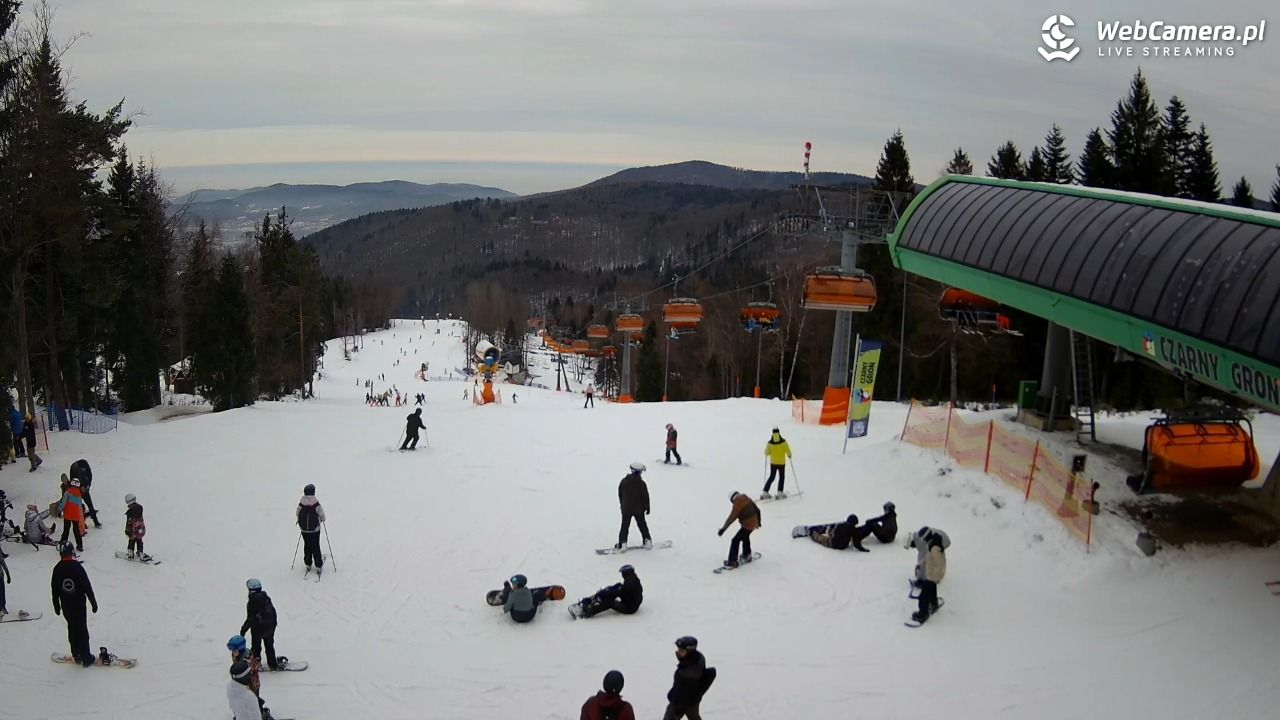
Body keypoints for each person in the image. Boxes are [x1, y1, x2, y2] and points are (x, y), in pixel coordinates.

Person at [51, 540, 98, 666]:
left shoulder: (57, 568)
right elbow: (86, 586)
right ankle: (86, 657)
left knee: (72, 628)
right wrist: (93, 603)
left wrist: (56, 605)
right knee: (82, 630)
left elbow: (54, 589)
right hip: (78, 606)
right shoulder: (77, 568)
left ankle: (76, 653)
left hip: (66, 606)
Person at [663, 636, 716, 720]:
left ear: (690, 652)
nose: (678, 652)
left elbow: (680, 695)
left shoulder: (686, 674)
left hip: (681, 702)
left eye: (681, 651)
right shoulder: (698, 658)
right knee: (693, 716)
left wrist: (674, 703)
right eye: (678, 649)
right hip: (694, 699)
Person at [227, 635, 274, 720]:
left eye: (234, 649)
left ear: (240, 649)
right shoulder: (236, 655)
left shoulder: (248, 659)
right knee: (244, 699)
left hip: (252, 683)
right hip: (243, 683)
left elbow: (254, 666)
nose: (232, 652)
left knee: (253, 699)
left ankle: (259, 712)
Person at [240, 578, 283, 670]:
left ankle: (256, 664)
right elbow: (272, 612)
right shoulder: (266, 598)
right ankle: (272, 664)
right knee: (269, 646)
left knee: (256, 647)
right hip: (270, 627)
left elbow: (250, 619)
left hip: (258, 629)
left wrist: (243, 630)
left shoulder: (251, 602)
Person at [573, 565, 643, 619]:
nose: (622, 575)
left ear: (626, 573)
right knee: (618, 585)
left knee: (609, 602)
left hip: (630, 608)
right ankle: (596, 598)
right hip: (632, 602)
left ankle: (590, 611)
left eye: (622, 573)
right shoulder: (633, 579)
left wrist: (604, 593)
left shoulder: (629, 583)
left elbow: (618, 592)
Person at [717, 492, 761, 568]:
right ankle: (747, 555)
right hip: (754, 522)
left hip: (748, 524)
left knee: (735, 540)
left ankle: (732, 561)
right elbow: (757, 510)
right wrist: (758, 522)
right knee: (745, 536)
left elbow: (731, 518)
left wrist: (723, 529)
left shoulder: (737, 504)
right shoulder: (747, 499)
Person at [912, 533, 947, 624]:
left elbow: (940, 564)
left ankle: (922, 614)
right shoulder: (933, 545)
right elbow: (928, 557)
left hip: (932, 575)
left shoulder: (935, 548)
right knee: (932, 589)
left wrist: (934, 576)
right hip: (931, 575)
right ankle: (933, 603)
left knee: (923, 596)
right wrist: (920, 565)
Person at [616, 462, 651, 551]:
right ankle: (647, 540)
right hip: (639, 509)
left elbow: (620, 494)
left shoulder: (624, 481)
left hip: (626, 509)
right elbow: (645, 497)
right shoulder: (642, 484)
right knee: (642, 525)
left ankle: (622, 543)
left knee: (625, 526)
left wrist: (622, 504)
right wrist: (647, 508)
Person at [296, 484, 326, 575]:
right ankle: (318, 565)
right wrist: (322, 520)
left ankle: (308, 563)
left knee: (307, 545)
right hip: (315, 530)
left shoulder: (301, 502)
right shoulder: (316, 503)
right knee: (315, 546)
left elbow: (297, 512)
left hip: (304, 530)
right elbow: (322, 515)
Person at [807, 514, 872, 552]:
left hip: (834, 542)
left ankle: (813, 533)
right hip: (842, 546)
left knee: (821, 538)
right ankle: (826, 531)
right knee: (831, 536)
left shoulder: (841, 524)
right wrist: (863, 549)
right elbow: (856, 543)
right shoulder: (853, 529)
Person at [69, 459, 101, 529]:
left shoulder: (86, 466)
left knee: (90, 505)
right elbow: (73, 481)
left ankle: (96, 521)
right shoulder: (74, 468)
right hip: (76, 490)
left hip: (85, 489)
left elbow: (90, 476)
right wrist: (80, 487)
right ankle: (80, 524)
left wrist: (88, 485)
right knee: (78, 507)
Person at [57, 475, 86, 551]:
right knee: (76, 530)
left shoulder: (68, 492)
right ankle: (80, 545)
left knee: (66, 530)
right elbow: (79, 505)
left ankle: (63, 543)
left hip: (67, 515)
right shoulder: (79, 494)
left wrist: (59, 509)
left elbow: (63, 503)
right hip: (76, 516)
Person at [761, 428, 791, 499]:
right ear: (779, 432)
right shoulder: (783, 442)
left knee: (772, 477)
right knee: (781, 477)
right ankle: (780, 492)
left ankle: (765, 491)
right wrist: (789, 455)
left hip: (773, 463)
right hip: (781, 463)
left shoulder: (770, 443)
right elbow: (788, 450)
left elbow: (766, 453)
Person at [124, 494, 149, 560]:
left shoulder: (130, 513)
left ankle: (130, 553)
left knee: (131, 541)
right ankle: (140, 553)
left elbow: (129, 523)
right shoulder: (140, 508)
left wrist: (127, 531)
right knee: (139, 541)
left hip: (133, 530)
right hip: (141, 529)